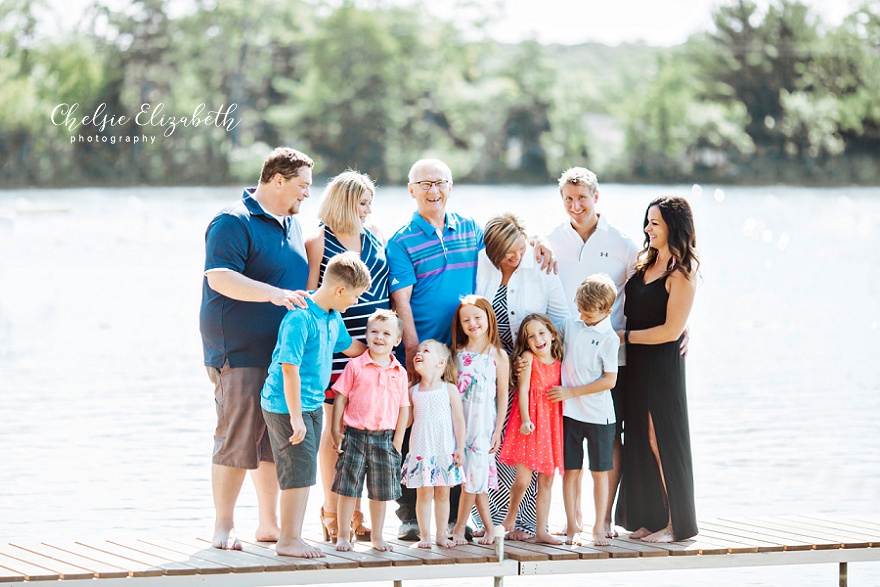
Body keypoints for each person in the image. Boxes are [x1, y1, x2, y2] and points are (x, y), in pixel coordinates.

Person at [200, 147, 313, 550]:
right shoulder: (233, 220)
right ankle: (224, 527)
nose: (306, 195)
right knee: (238, 437)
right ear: (277, 179)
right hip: (241, 351)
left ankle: (269, 525)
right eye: (302, 186)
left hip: (282, 358)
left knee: (272, 441)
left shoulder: (292, 224)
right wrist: (274, 294)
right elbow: (220, 278)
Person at [544, 167, 638, 538]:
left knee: (608, 437)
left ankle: (606, 518)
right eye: (568, 199)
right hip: (567, 357)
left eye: (582, 197)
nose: (575, 205)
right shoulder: (551, 240)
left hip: (611, 356)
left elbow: (647, 287)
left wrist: (678, 325)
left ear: (596, 197)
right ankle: (574, 520)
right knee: (570, 446)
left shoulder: (623, 242)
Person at [259, 252, 371, 558]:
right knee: (298, 471)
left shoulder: (333, 318)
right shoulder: (300, 317)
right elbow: (288, 368)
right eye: (355, 296)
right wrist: (295, 417)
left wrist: (382, 352)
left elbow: (350, 348)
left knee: (304, 470)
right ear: (339, 291)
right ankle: (288, 540)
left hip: (311, 403)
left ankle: (293, 535)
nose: (356, 303)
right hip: (285, 405)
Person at [305, 170, 389, 544]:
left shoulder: (375, 238)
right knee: (334, 432)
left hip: (374, 351)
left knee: (361, 432)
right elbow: (312, 299)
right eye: (362, 202)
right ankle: (330, 509)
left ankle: (354, 511)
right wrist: (339, 341)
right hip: (338, 351)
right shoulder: (319, 241)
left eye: (370, 202)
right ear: (344, 201)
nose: (368, 209)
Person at [475, 213, 568, 540]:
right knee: (494, 442)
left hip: (531, 373)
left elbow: (561, 317)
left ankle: (527, 523)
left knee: (528, 449)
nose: (514, 257)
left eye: (518, 248)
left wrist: (547, 360)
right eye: (506, 253)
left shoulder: (540, 265)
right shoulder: (481, 264)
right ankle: (489, 520)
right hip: (490, 371)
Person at [615, 196, 700, 543]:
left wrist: (626, 337)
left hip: (661, 365)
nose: (648, 228)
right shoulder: (643, 262)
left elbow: (670, 330)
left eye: (656, 223)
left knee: (659, 438)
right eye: (647, 221)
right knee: (637, 437)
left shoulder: (682, 271)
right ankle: (650, 517)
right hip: (634, 364)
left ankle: (676, 524)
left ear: (673, 227)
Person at [330, 309, 410, 553]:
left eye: (387, 333)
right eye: (374, 331)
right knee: (347, 489)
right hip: (354, 435)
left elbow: (403, 408)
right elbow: (340, 398)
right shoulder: (356, 365)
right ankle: (344, 535)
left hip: (385, 439)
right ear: (366, 334)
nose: (379, 337)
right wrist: (336, 429)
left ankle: (377, 537)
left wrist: (397, 442)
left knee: (380, 493)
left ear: (397, 340)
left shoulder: (399, 372)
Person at [547, 275, 619, 546]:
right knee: (571, 472)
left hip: (599, 416)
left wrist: (571, 392)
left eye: (588, 314)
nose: (583, 316)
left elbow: (609, 380)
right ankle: (572, 527)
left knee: (599, 474)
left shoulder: (609, 339)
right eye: (580, 309)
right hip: (569, 415)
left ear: (607, 312)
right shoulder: (571, 324)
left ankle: (598, 527)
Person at [498, 314, 564, 545]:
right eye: (531, 336)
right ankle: (511, 516)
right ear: (526, 343)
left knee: (547, 480)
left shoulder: (559, 359)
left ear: (552, 335)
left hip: (551, 424)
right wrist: (525, 419)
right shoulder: (528, 358)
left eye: (542, 333)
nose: (537, 339)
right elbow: (523, 390)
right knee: (523, 480)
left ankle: (541, 530)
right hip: (530, 423)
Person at [449, 295, 510, 546]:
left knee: (473, 479)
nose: (472, 323)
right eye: (466, 320)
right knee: (475, 480)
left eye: (477, 317)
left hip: (483, 427)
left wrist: (498, 431)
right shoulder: (457, 354)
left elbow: (503, 395)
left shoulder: (498, 355)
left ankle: (459, 527)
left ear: (488, 318)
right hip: (458, 426)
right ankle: (490, 529)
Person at [400, 339, 467, 549]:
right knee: (424, 493)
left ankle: (441, 534)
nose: (419, 353)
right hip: (421, 449)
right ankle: (425, 535)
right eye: (418, 351)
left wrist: (460, 448)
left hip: (444, 450)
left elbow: (458, 419)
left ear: (441, 363)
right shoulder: (413, 391)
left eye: (426, 351)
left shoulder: (449, 389)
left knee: (443, 493)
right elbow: (408, 421)